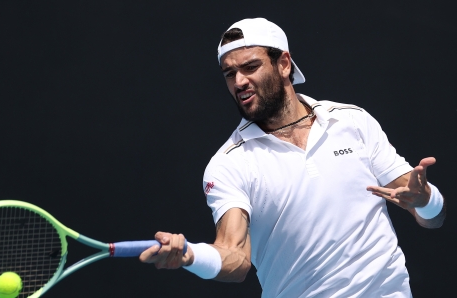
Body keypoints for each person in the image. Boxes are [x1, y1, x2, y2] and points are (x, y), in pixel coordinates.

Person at [139, 18, 446, 297]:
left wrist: (426, 200)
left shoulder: (353, 122)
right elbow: (234, 256)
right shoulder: (229, 164)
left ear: (284, 64)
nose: (239, 82)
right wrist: (191, 255)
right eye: (229, 73)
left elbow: (431, 218)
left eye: (250, 67)